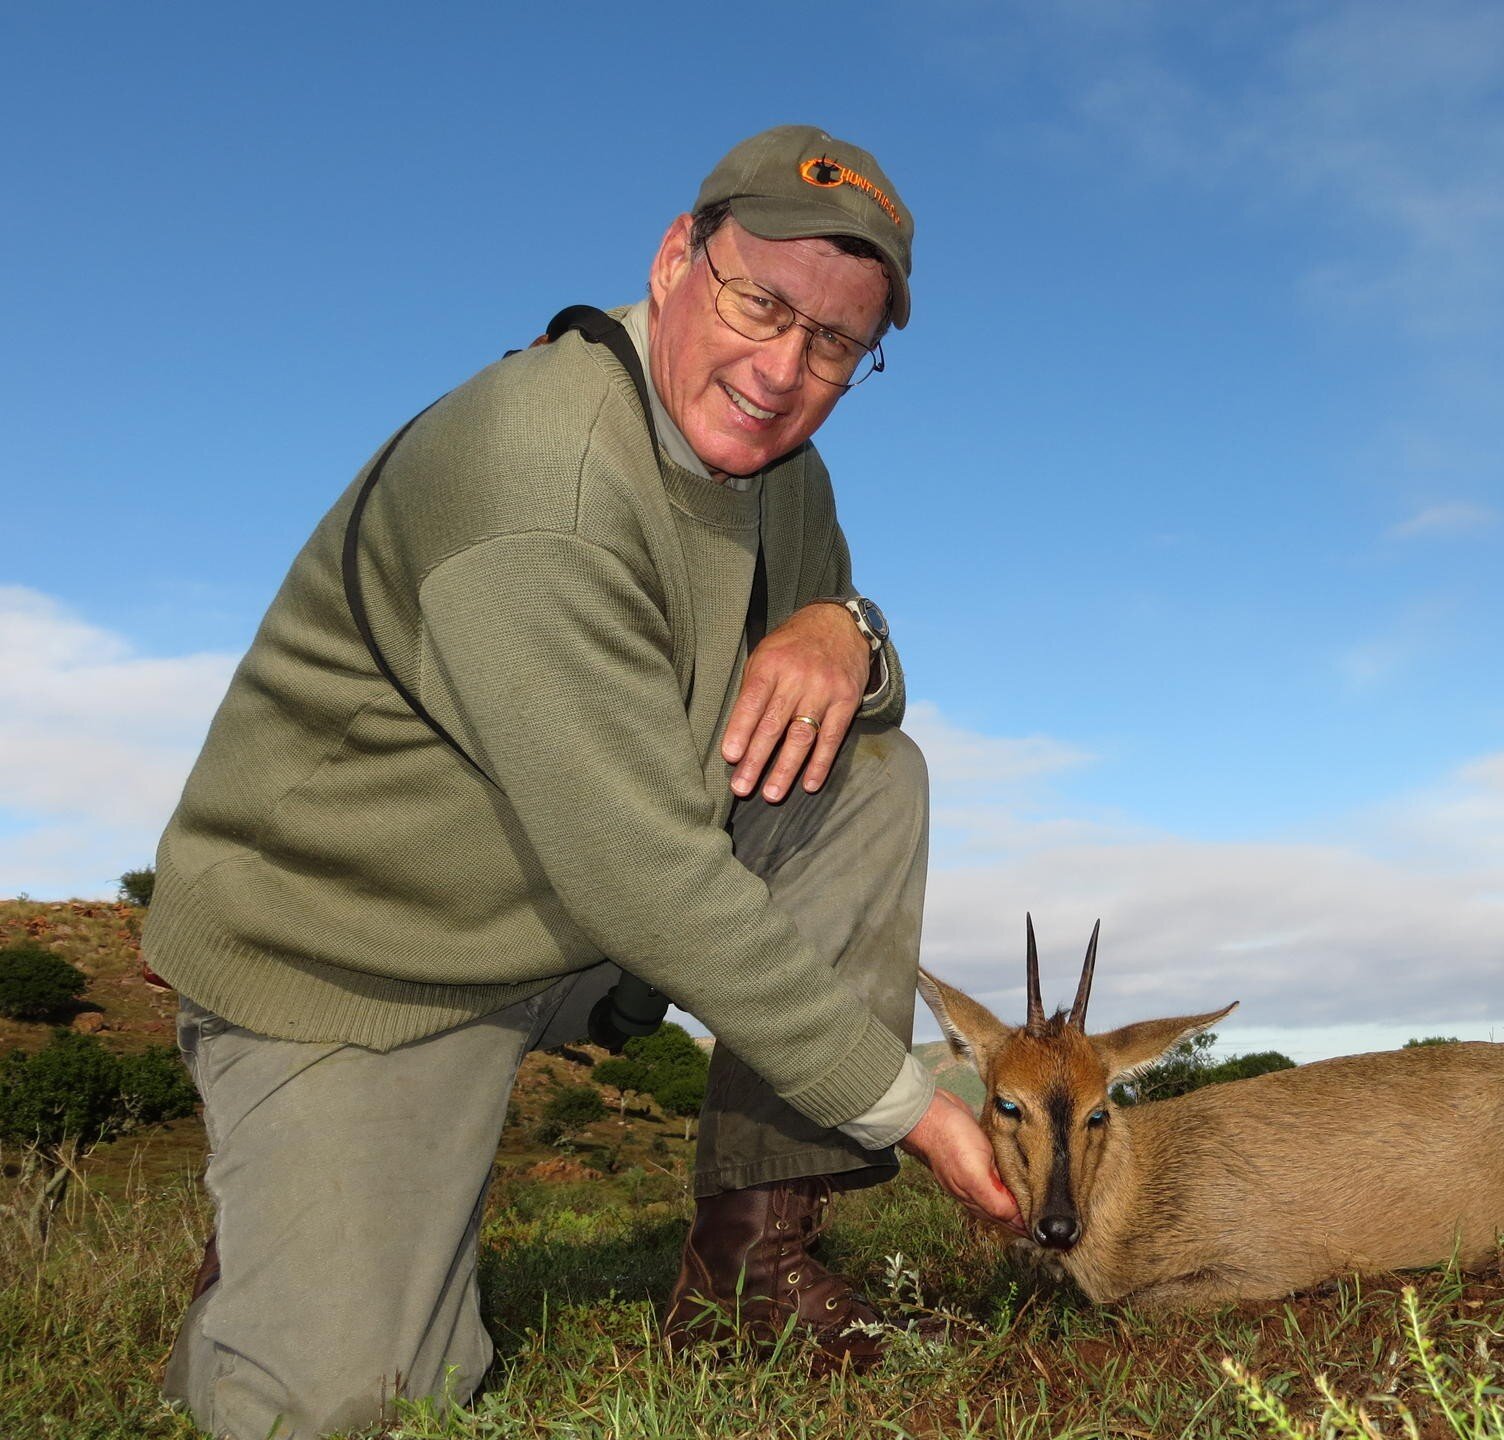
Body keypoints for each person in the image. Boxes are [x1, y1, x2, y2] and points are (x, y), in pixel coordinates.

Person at [146, 125, 1019, 1439]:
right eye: (758, 303)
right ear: (676, 258)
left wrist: (849, 631)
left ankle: (751, 1271)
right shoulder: (536, 478)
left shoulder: (786, 478)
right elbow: (650, 876)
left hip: (567, 921)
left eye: (834, 343)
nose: (782, 372)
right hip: (351, 957)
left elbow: (835, 685)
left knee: (870, 777)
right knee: (348, 1404)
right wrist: (913, 1106)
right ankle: (280, 1227)